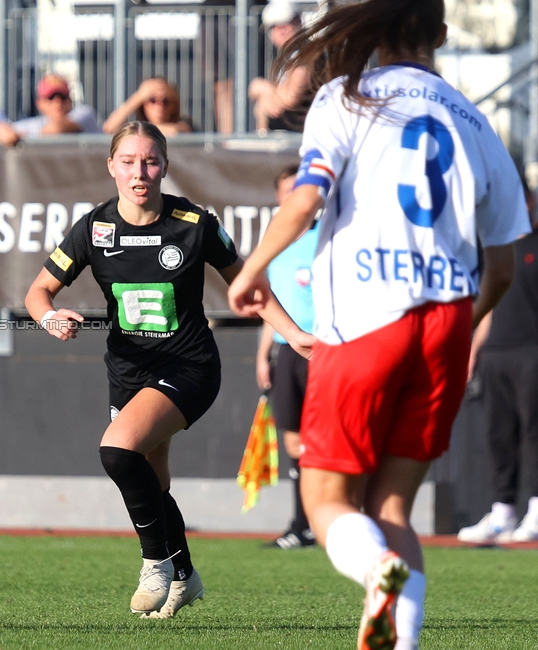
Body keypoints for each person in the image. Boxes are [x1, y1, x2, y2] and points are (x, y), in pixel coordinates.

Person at [227, 1, 526, 648]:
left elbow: (306, 196)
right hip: (444, 322)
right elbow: (501, 265)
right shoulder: (478, 123)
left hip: (367, 316)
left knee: (327, 500)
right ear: (442, 34)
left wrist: (252, 269)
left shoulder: (347, 96)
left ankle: (377, 570)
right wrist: (458, 326)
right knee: (393, 508)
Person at [25, 121, 313, 620]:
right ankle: (185, 576)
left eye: (151, 161)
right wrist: (50, 317)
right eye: (129, 161)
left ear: (165, 165)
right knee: (152, 482)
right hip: (128, 372)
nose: (140, 172)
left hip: (189, 365)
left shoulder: (194, 223)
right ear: (111, 166)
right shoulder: (93, 228)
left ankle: (155, 562)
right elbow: (37, 293)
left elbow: (249, 285)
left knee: (116, 450)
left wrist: (296, 335)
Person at [458, 192, 538, 545]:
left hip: (531, 352)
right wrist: (473, 348)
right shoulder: (494, 250)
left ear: (529, 203)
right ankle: (502, 512)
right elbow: (487, 306)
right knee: (498, 434)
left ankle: (535, 510)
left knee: (534, 433)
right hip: (495, 354)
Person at [255, 163, 318, 550]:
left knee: (323, 440)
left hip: (320, 350)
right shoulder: (274, 243)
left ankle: (323, 521)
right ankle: (301, 525)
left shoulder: (329, 235)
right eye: (286, 190)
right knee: (294, 442)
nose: (293, 196)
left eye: (300, 188)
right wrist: (264, 353)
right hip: (285, 352)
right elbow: (269, 302)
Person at [0, 73, 100, 147]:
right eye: (51, 98)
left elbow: (55, 130)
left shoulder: (85, 113)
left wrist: (26, 137)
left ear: (70, 100)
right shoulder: (38, 123)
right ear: (39, 104)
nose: (57, 103)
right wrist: (2, 130)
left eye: (62, 97)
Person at [248, 0, 313, 134]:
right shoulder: (284, 57)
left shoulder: (307, 53)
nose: (280, 30)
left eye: (286, 23)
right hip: (283, 134)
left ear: (299, 22)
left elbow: (290, 97)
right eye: (273, 26)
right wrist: (264, 100)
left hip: (303, 135)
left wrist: (263, 89)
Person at [102, 78, 193, 138]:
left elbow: (176, 131)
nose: (159, 105)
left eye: (165, 101)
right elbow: (109, 128)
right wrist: (138, 97)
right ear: (143, 104)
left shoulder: (183, 124)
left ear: (173, 105)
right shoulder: (138, 126)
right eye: (152, 100)